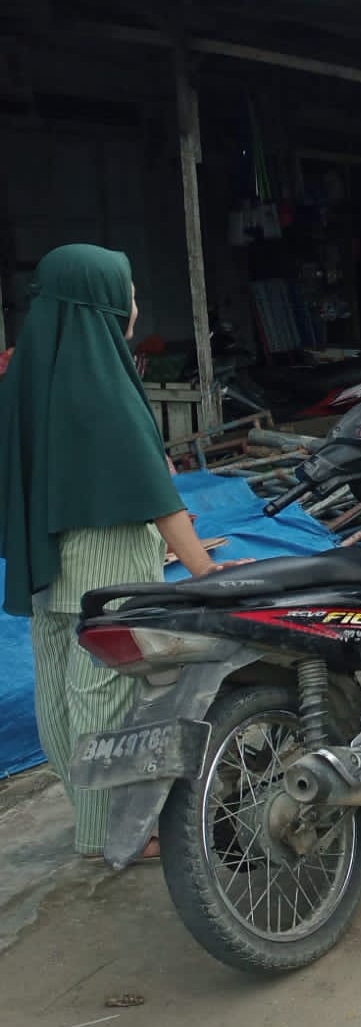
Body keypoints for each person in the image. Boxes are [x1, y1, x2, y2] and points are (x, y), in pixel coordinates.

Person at [0, 245, 244, 861]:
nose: (135, 304)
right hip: (106, 557)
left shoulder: (29, 372)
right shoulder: (102, 379)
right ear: (102, 300)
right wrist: (205, 570)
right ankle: (115, 833)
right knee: (105, 694)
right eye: (128, 291)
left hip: (45, 559)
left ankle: (90, 818)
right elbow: (155, 493)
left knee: (57, 685)